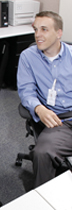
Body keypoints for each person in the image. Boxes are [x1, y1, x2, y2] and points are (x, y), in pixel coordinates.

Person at [17, 11, 72, 187]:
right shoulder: (28, 57)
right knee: (42, 153)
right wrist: (39, 108)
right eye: (35, 29)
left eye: (44, 29)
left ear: (59, 33)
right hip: (58, 122)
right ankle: (43, 201)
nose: (38, 35)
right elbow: (26, 91)